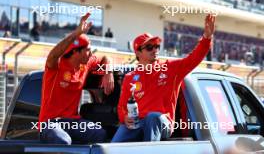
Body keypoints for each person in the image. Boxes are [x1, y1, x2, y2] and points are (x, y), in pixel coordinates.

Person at [112, 14, 215, 142]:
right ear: (138, 53)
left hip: (163, 122)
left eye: (156, 46)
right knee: (113, 145)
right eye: (149, 47)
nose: (154, 49)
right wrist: (125, 117)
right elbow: (121, 107)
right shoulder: (129, 77)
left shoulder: (171, 68)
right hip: (137, 123)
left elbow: (193, 59)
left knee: (152, 117)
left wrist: (206, 38)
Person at [38, 12, 114, 145]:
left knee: (100, 134)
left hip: (73, 122)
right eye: (88, 50)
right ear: (75, 52)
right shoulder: (57, 65)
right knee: (63, 141)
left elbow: (105, 58)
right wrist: (76, 33)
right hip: (50, 123)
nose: (91, 53)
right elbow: (52, 56)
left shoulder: (87, 63)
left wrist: (108, 72)